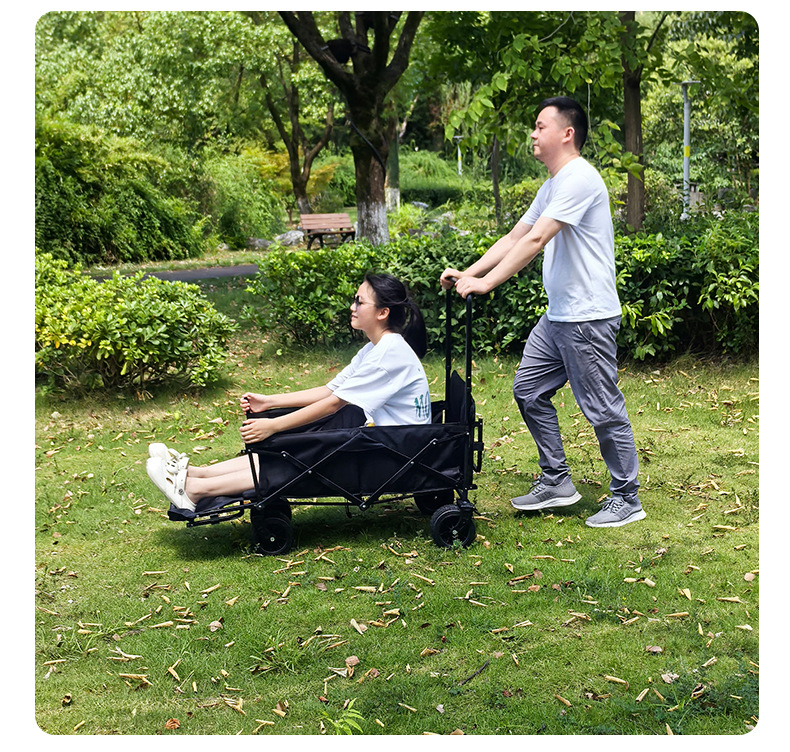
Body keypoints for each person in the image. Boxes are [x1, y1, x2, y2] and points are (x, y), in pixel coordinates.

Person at [440, 96, 644, 528]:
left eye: (539, 126)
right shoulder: (552, 185)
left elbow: (536, 242)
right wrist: (469, 273)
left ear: (567, 133)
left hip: (587, 317)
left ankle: (627, 497)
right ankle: (557, 480)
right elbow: (515, 237)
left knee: (602, 409)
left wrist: (487, 284)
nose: (532, 134)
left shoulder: (579, 178)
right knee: (529, 390)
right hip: (560, 317)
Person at [146, 273, 432, 513]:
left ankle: (195, 490)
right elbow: (331, 389)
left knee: (298, 452)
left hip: (396, 453)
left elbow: (333, 403)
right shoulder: (376, 348)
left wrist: (273, 426)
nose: (352, 306)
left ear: (382, 313)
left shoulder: (388, 353)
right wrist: (269, 402)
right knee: (297, 444)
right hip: (384, 440)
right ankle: (196, 475)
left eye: (360, 301)